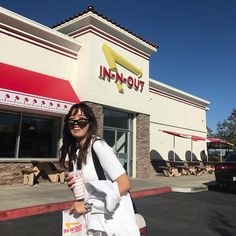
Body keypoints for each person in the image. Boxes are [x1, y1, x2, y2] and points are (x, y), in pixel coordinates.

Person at [60, 102, 139, 236]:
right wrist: (76, 187)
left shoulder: (98, 146)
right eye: (71, 121)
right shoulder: (76, 153)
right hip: (94, 222)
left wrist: (87, 206)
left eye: (82, 121)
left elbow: (125, 184)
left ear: (90, 123)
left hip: (112, 222)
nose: (76, 125)